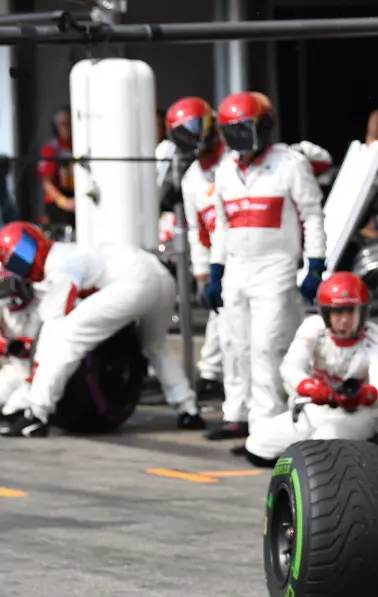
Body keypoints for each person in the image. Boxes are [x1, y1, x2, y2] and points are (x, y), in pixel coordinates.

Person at [0, 222, 203, 437]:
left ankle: (37, 415)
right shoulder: (68, 252)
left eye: (24, 253)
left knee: (66, 337)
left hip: (134, 281)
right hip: (158, 274)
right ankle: (188, 409)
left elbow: (53, 330)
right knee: (155, 346)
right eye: (17, 261)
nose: (26, 262)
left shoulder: (58, 266)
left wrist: (35, 382)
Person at [205, 91, 327, 441]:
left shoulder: (290, 163)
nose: (238, 139)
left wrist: (315, 265)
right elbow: (222, 227)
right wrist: (216, 271)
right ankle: (238, 416)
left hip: (275, 268)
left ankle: (267, 429)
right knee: (235, 344)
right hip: (237, 269)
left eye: (243, 130)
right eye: (231, 131)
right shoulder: (225, 169)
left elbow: (312, 215)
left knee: (267, 346)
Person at [243, 272, 378, 465]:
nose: (345, 320)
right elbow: (290, 367)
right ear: (325, 313)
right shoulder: (313, 327)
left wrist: (363, 395)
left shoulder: (377, 340)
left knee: (318, 453)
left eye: (351, 312)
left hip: (355, 412)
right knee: (257, 446)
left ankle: (362, 443)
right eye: (338, 313)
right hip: (317, 406)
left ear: (363, 312)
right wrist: (310, 388)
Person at [165, 96, 228, 397]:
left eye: (193, 128)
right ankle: (212, 374)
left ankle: (212, 372)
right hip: (219, 257)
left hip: (254, 252)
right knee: (222, 314)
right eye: (183, 133)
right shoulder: (191, 179)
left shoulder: (237, 159)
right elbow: (196, 231)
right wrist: (202, 274)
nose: (191, 138)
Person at [0, 272, 39, 418]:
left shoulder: (43, 306)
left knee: (14, 407)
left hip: (39, 371)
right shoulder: (4, 308)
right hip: (16, 368)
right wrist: (5, 345)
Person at [38, 107, 75, 234]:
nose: (66, 128)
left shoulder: (79, 146)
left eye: (69, 124)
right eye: (62, 124)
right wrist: (63, 202)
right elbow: (47, 183)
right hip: (58, 202)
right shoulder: (52, 149)